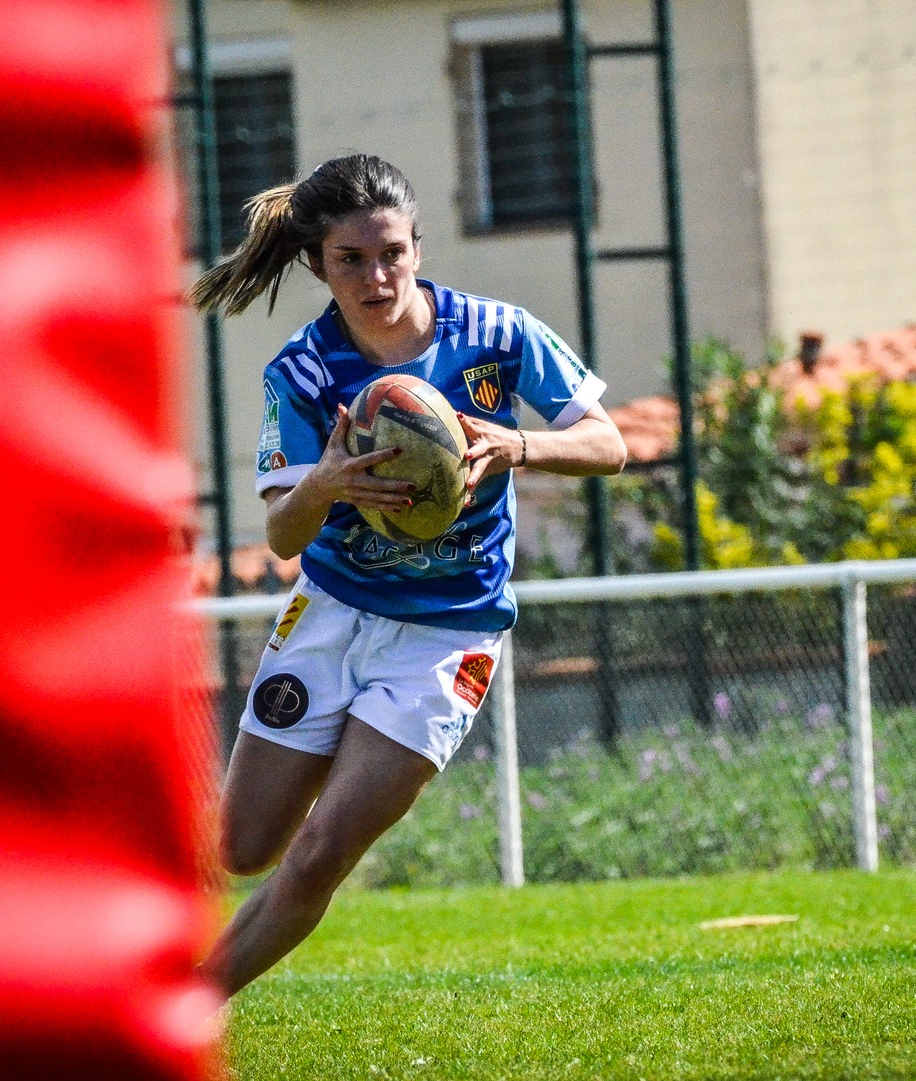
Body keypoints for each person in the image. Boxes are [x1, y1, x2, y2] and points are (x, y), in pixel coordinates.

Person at [189, 154, 628, 996]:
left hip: (447, 635)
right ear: (316, 264)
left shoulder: (497, 334)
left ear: (418, 247)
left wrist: (519, 445)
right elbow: (282, 535)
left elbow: (608, 444)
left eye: (391, 253)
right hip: (329, 614)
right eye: (351, 260)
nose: (377, 277)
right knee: (243, 848)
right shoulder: (303, 370)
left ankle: (178, 1015)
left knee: (319, 853)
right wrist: (325, 483)